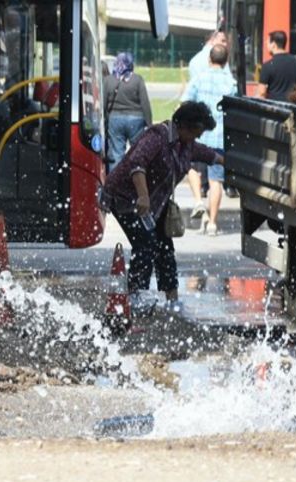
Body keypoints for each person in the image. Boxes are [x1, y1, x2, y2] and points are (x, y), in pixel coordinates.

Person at [98, 101, 224, 315]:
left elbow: (209, 154)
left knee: (165, 247)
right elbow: (136, 164)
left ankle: (172, 298)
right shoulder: (157, 136)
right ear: (183, 125)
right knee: (146, 244)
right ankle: (137, 297)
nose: (197, 137)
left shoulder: (187, 144)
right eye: (195, 132)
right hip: (128, 199)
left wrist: (227, 162)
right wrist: (143, 196)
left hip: (153, 204)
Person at [181, 45, 237, 236]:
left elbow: (185, 101)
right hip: (220, 138)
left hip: (199, 136)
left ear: (209, 59)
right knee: (216, 181)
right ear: (226, 61)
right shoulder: (231, 83)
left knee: (193, 169)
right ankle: (213, 223)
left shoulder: (199, 79)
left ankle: (198, 202)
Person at [103, 52, 152, 170]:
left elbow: (104, 103)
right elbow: (145, 103)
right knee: (137, 152)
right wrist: (149, 124)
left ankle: (115, 183)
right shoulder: (137, 79)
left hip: (115, 119)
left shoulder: (108, 80)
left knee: (116, 153)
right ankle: (137, 179)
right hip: (136, 120)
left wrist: (105, 121)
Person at [257, 30, 296, 103]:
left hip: (274, 109)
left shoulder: (267, 66)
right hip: (292, 108)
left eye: (267, 43)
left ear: (273, 44)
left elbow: (261, 93)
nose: (266, 45)